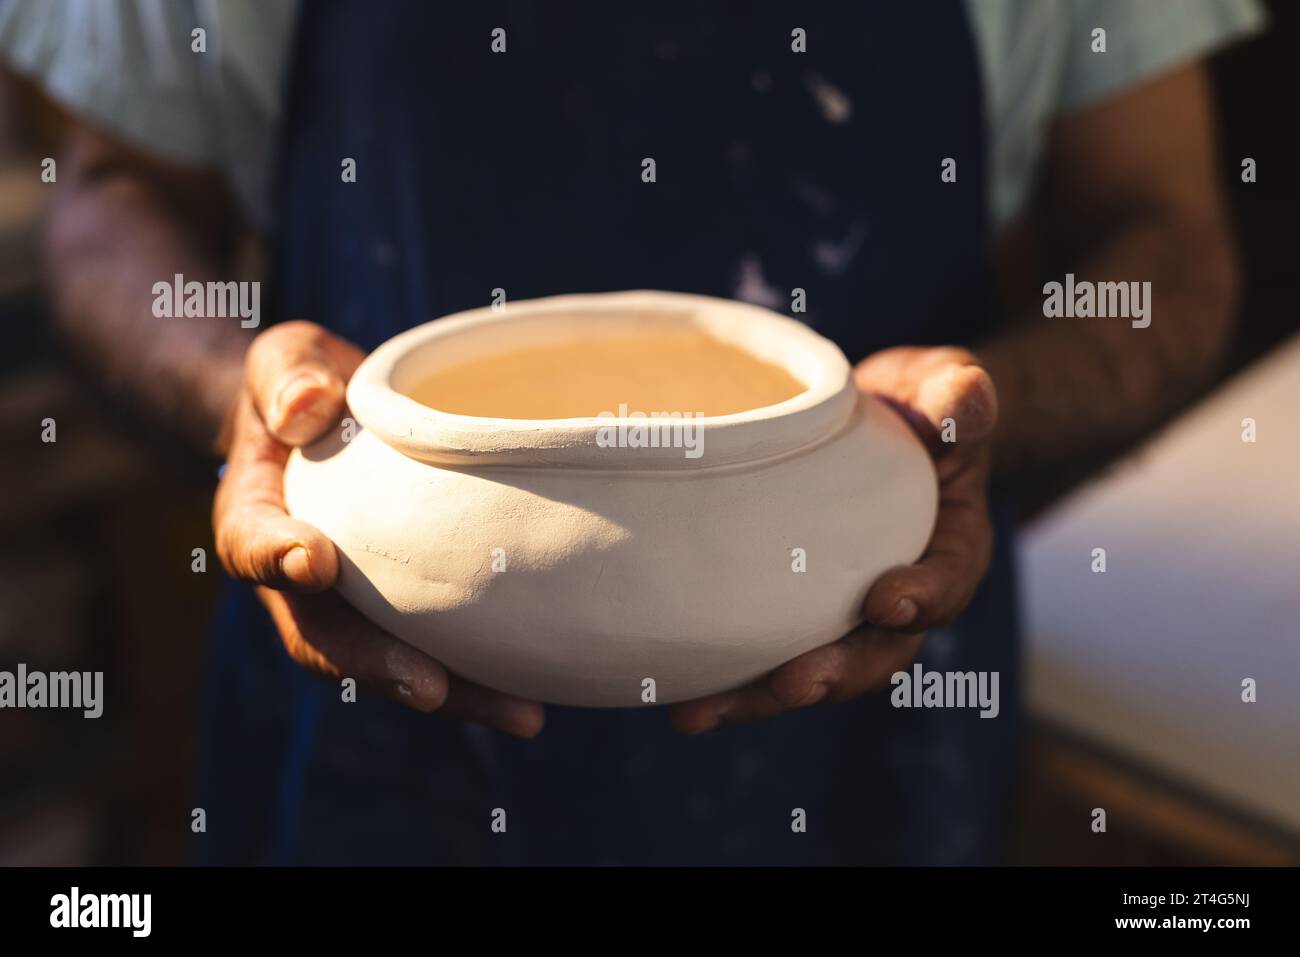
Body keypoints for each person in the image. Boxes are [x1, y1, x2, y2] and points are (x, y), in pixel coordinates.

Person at [1, 0, 1262, 864]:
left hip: (879, 681)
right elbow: (114, 194)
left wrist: (968, 422)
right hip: (365, 684)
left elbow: (1163, 232)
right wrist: (241, 395)